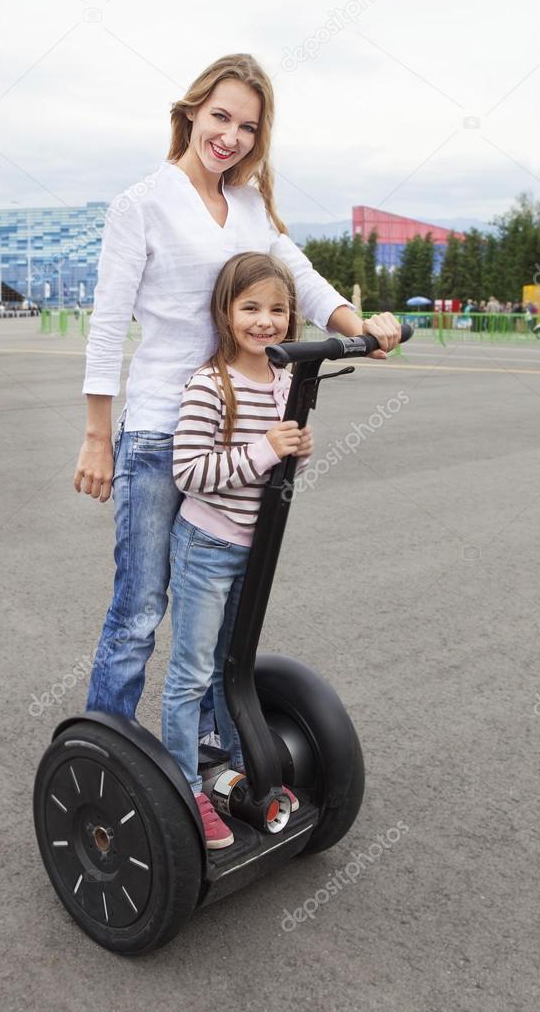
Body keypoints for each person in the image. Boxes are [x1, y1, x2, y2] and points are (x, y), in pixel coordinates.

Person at [75, 53, 401, 726]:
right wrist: (96, 437)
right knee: (139, 607)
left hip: (242, 433)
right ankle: (106, 751)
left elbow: (303, 279)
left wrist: (358, 325)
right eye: (220, 116)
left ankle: (212, 750)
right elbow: (107, 328)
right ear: (191, 111)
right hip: (162, 429)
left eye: (248, 126)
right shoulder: (139, 205)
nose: (231, 135)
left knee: (224, 598)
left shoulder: (251, 206)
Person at [163, 251, 310, 847]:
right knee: (191, 673)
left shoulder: (284, 379)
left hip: (254, 550)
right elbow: (189, 473)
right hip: (206, 547)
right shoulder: (210, 384)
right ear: (225, 313)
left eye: (277, 308)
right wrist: (267, 449)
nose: (264, 320)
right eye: (250, 307)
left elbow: (279, 458)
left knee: (233, 665)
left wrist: (294, 448)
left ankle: (230, 766)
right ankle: (183, 786)